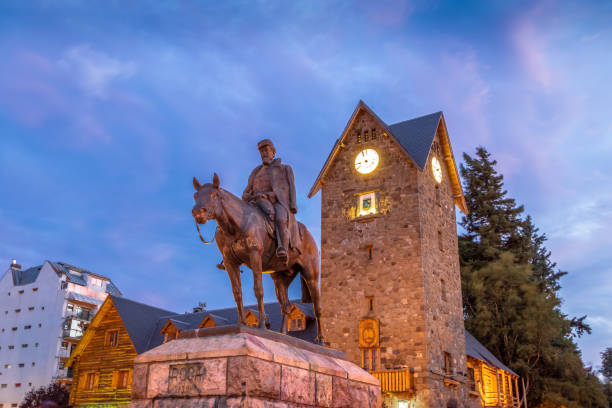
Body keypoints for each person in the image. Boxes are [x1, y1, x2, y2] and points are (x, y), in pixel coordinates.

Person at [242, 139, 299, 264]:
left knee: (279, 219)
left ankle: (283, 248)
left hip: (277, 202)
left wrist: (269, 196)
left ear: (273, 152)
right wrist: (246, 196)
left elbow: (286, 188)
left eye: (266, 151)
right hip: (255, 202)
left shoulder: (284, 169)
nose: (264, 154)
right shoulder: (255, 172)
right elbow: (247, 190)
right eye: (261, 152)